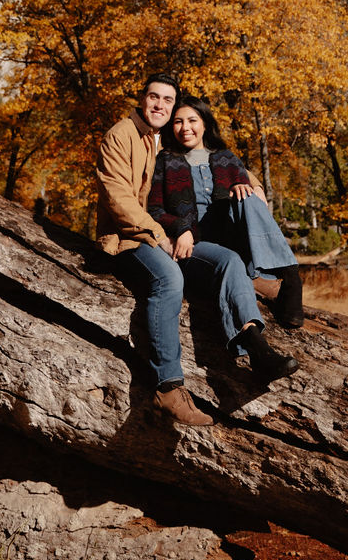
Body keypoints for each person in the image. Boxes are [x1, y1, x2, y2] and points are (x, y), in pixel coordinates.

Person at [96, 75, 295, 429]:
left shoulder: (169, 140)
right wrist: (164, 235)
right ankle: (168, 387)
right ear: (142, 100)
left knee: (229, 260)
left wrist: (255, 187)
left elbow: (219, 161)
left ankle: (256, 343)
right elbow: (118, 200)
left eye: (167, 100)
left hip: (171, 234)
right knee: (170, 278)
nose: (160, 105)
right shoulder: (121, 135)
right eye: (153, 97)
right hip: (131, 238)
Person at [147, 95, 304, 330]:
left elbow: (248, 199)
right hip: (199, 243)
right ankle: (256, 317)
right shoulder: (167, 161)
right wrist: (180, 228)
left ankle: (291, 276)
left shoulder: (226, 158)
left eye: (192, 120)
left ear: (205, 124)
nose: (185, 128)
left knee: (248, 196)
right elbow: (155, 209)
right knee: (228, 257)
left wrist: (242, 186)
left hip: (233, 236)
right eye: (178, 122)